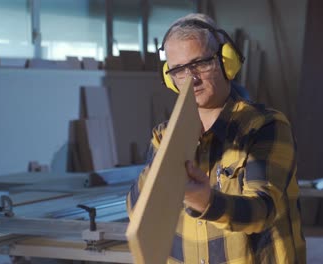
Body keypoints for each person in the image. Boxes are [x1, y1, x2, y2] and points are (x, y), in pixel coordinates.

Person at [127, 13, 306, 264]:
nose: (191, 78)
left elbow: (262, 211)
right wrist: (161, 170)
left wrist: (206, 201)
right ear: (170, 78)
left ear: (225, 61)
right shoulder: (164, 135)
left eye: (200, 63)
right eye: (179, 69)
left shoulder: (265, 126)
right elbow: (139, 211)